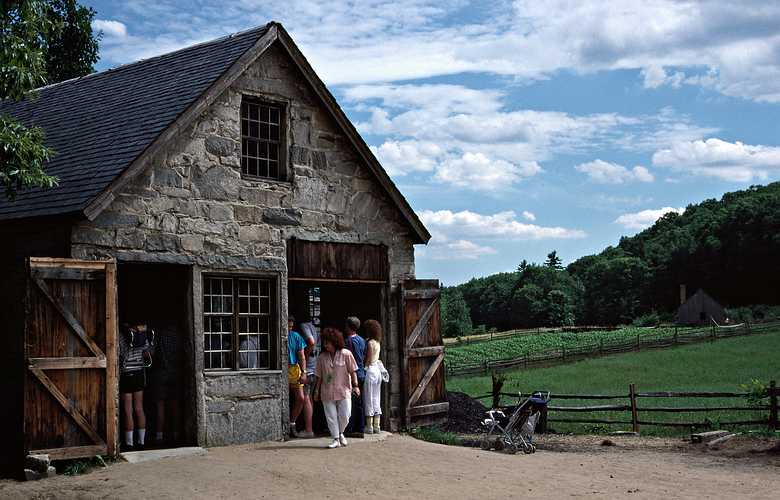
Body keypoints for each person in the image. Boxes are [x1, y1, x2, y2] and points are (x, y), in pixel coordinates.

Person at [314, 327, 360, 449]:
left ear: (334, 342)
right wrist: (316, 390)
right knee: (331, 416)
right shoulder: (322, 358)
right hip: (327, 391)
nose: (325, 345)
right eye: (324, 343)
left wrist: (356, 386)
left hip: (344, 390)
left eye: (327, 342)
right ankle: (335, 438)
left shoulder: (346, 354)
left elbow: (353, 371)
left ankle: (340, 433)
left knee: (345, 415)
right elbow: (319, 376)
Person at [119, 323, 153, 450]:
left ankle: (129, 443)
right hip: (139, 373)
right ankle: (141, 442)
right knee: (139, 408)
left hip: (126, 374)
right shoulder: (142, 336)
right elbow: (147, 354)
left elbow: (118, 354)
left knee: (128, 410)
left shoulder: (122, 336)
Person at [148, 325, 181, 445]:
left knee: (160, 406)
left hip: (161, 373)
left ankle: (159, 435)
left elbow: (151, 353)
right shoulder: (179, 335)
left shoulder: (158, 334)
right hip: (176, 372)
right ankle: (176, 433)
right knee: (175, 405)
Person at [344, 316, 366, 437]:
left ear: (348, 327)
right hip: (361, 372)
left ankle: (353, 428)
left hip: (354, 374)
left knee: (352, 403)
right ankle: (360, 427)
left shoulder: (348, 342)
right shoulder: (362, 340)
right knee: (359, 402)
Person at [362, 319, 385, 434]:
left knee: (368, 397)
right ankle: (377, 425)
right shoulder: (377, 342)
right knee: (376, 397)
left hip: (370, 370)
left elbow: (369, 358)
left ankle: (369, 426)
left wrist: (364, 368)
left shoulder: (370, 343)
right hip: (377, 371)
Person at [287, 316, 307, 438]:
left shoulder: (296, 336)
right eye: (287, 326)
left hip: (294, 368)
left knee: (300, 398)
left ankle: (292, 422)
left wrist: (304, 372)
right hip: (283, 368)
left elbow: (302, 355)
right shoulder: (278, 335)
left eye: (291, 326)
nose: (289, 329)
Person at [299, 318, 319, 438]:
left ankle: (309, 429)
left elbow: (311, 342)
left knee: (306, 397)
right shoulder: (314, 326)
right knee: (309, 398)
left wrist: (305, 357)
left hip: (309, 368)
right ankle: (310, 426)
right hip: (315, 367)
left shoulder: (304, 325)